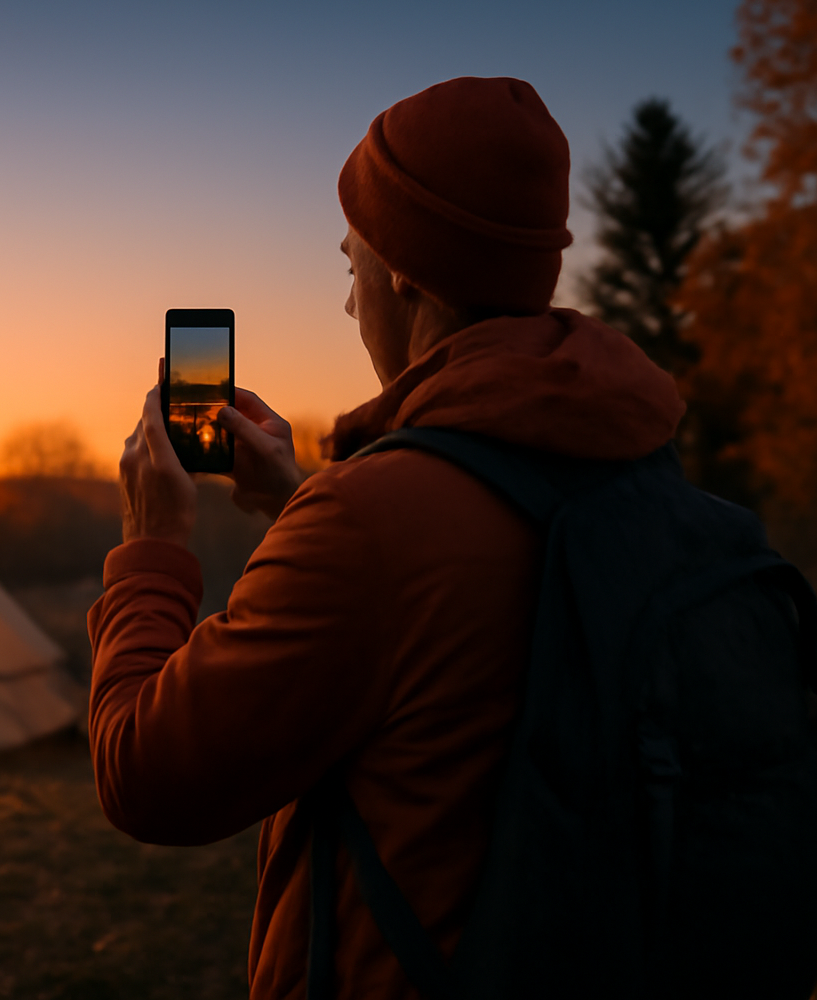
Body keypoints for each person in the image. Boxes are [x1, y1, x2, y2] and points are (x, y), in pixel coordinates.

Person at [87, 76, 684, 998]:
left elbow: (144, 775)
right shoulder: (623, 463)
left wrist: (153, 546)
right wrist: (302, 501)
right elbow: (452, 619)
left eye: (348, 260)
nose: (347, 297)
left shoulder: (373, 524)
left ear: (403, 267)